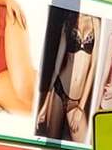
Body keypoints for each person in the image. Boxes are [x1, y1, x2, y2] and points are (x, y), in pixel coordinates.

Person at [36, 11, 100, 142]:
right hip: (59, 91)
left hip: (76, 100)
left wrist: (81, 108)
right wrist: (45, 105)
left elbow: (93, 67)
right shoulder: (68, 22)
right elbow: (57, 67)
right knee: (50, 142)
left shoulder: (95, 22)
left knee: (86, 146)